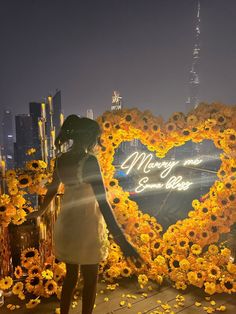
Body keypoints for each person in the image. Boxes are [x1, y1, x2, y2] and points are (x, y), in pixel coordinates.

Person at [28, 115, 142, 314]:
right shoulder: (89, 161)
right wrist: (122, 240)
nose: (97, 142)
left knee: (71, 275)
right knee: (90, 279)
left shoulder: (61, 160)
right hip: (87, 224)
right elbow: (103, 202)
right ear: (89, 137)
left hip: (67, 223)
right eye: (96, 138)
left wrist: (41, 211)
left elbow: (53, 189)